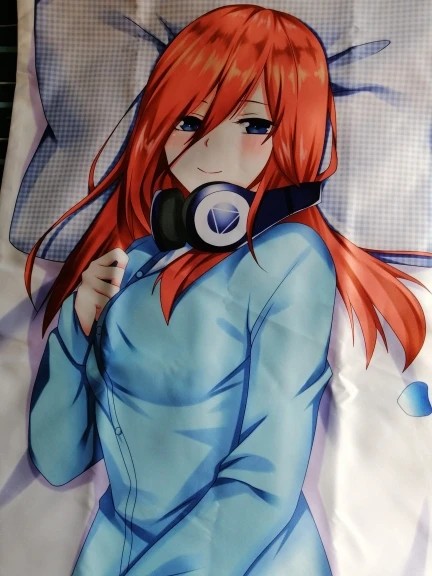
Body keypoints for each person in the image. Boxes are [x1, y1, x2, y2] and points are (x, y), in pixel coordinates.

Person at [25, 5, 426, 575]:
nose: (211, 149)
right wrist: (74, 330)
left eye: (255, 125)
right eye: (189, 122)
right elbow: (59, 460)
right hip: (117, 551)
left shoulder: (290, 260)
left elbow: (264, 481)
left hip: (247, 560)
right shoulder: (137, 261)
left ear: (295, 134)